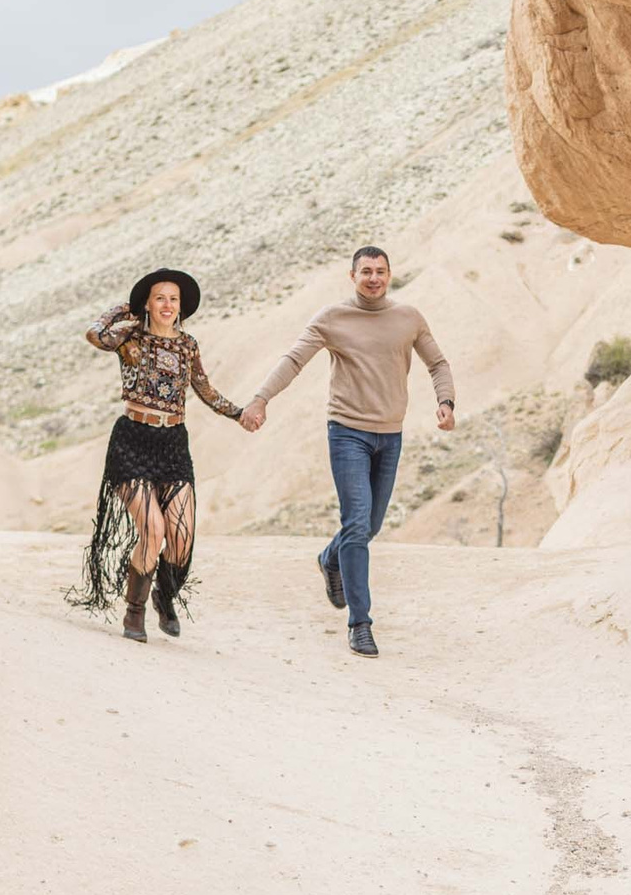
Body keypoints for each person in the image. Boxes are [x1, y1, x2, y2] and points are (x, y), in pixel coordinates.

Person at [240, 246, 454, 657]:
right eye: (366, 271)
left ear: (389, 275)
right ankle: (360, 623)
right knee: (356, 524)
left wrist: (446, 401)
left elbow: (438, 364)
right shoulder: (332, 318)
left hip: (390, 435)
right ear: (352, 275)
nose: (374, 278)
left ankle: (329, 558)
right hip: (347, 433)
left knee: (369, 526)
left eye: (380, 271)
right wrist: (260, 399)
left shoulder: (408, 318)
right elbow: (293, 361)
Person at [70, 267, 246, 643]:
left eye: (173, 299)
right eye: (160, 298)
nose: (167, 305)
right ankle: (134, 612)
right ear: (148, 304)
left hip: (172, 444)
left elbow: (205, 390)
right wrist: (125, 309)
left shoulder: (188, 345)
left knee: (181, 537)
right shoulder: (129, 337)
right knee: (153, 529)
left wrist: (239, 414)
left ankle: (164, 595)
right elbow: (94, 334)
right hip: (132, 441)